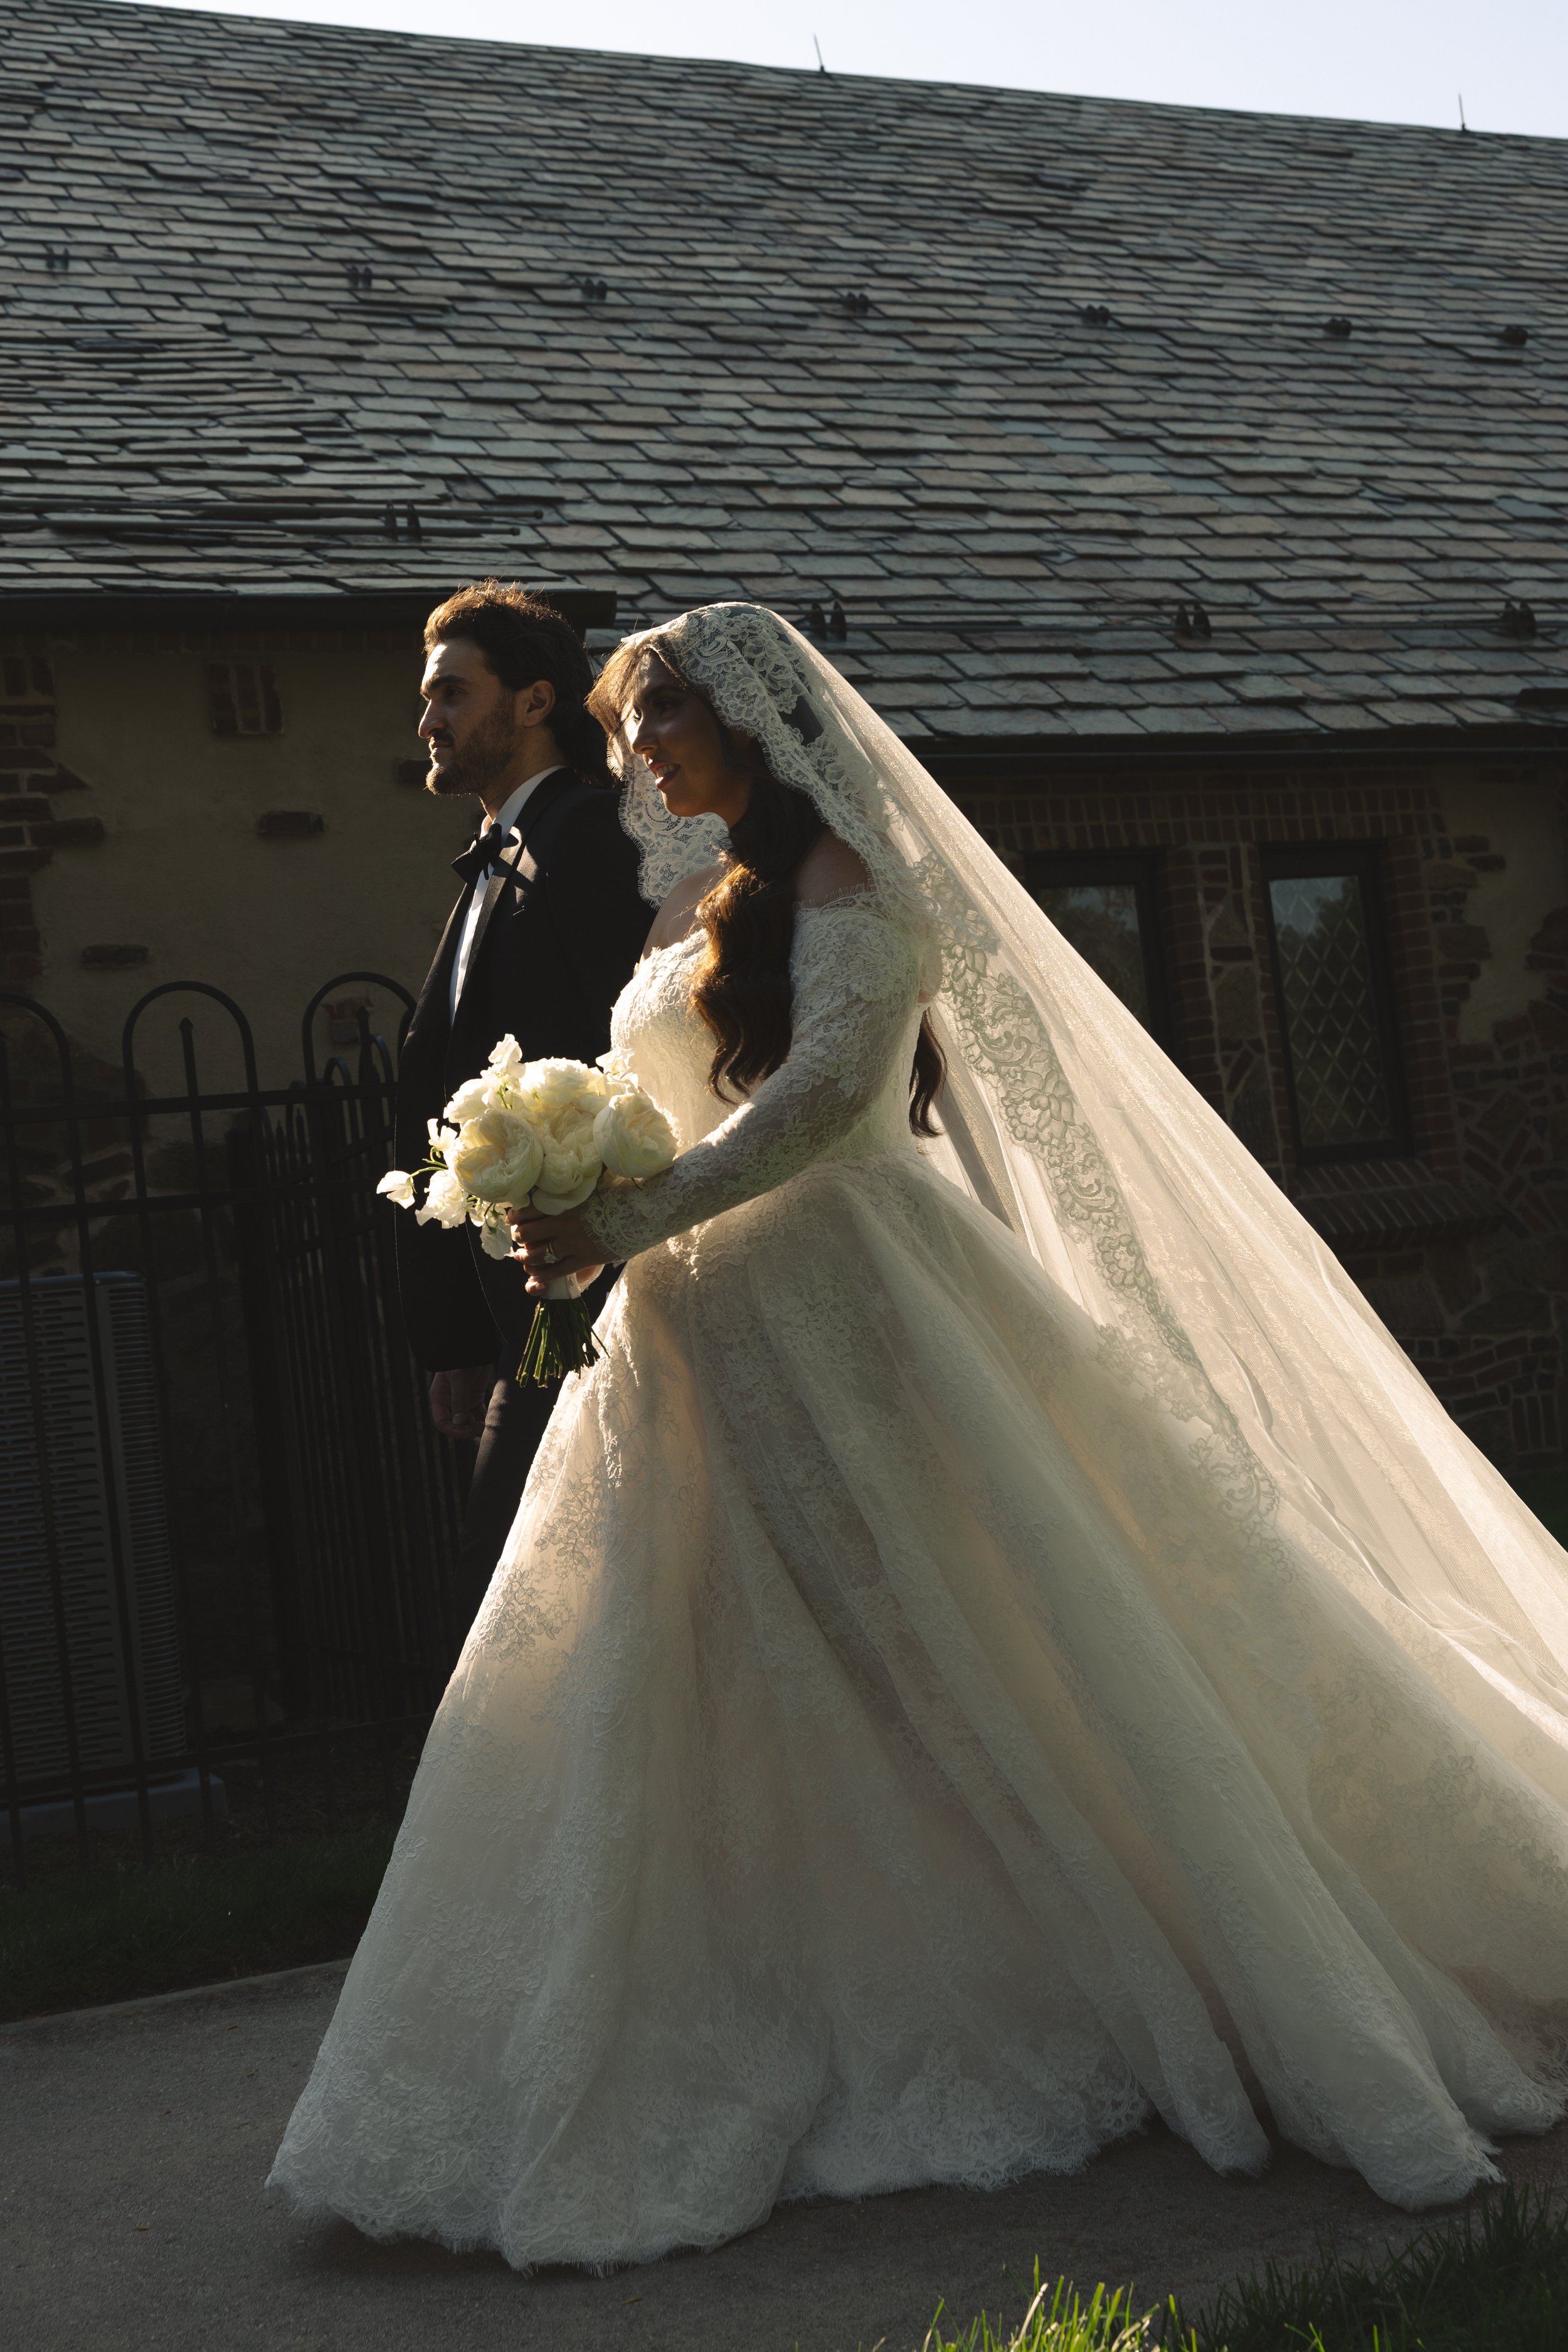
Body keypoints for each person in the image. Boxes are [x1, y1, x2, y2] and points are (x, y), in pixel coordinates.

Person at [273, 603, 1568, 2267]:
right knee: (714, 1670)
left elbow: (822, 1097)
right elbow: (654, 1078)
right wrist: (561, 1162)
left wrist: (635, 1205)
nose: (642, 749)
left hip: (853, 1309)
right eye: (632, 723)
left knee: (975, 1638)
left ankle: (1157, 1959)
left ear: (754, 717)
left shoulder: (857, 890)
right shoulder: (691, 898)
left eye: (665, 716)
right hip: (689, 1331)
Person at [393, 581, 650, 1647]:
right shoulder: (495, 860)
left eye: (453, 692)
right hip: (527, 1316)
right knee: (541, 1587)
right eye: (427, 697)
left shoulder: (591, 844)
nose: (429, 720)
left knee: (511, 1598)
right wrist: (454, 1332)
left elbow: (637, 1058)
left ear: (537, 699)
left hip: (594, 1304)